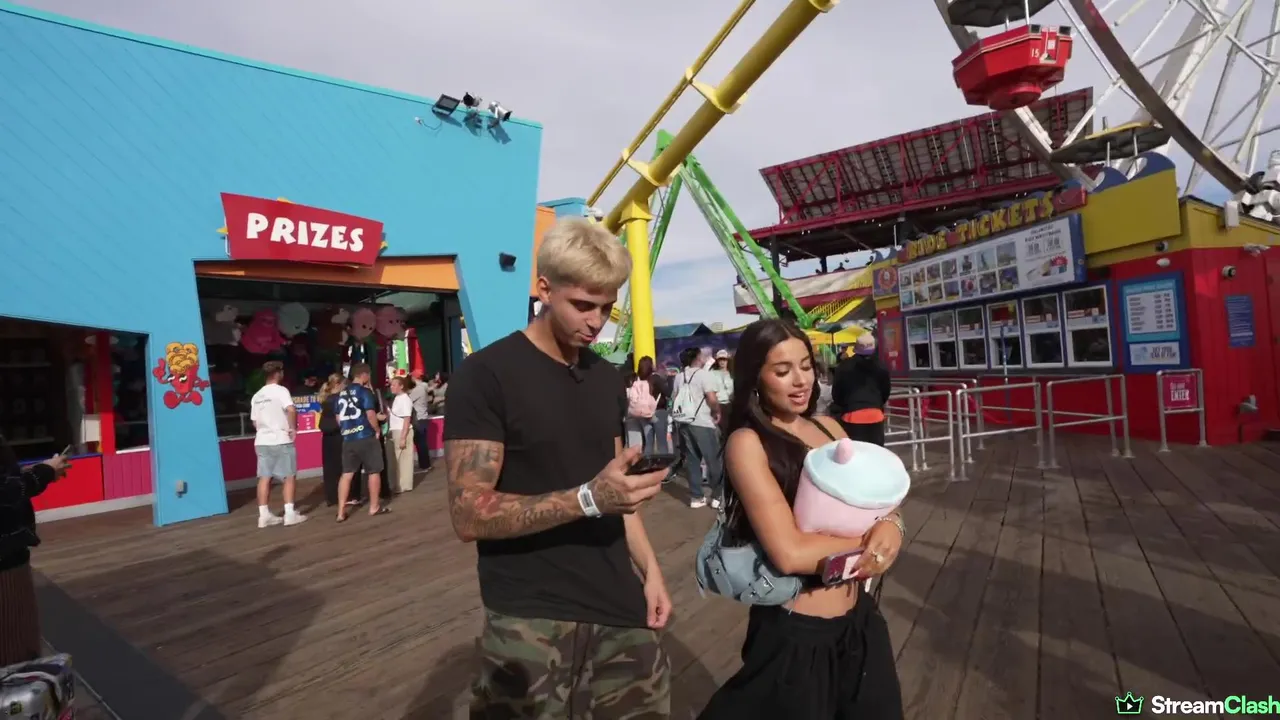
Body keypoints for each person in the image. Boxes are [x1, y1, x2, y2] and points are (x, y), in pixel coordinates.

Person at [445, 216, 673, 717]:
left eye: (607, 308)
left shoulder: (606, 378)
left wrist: (651, 570)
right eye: (583, 305)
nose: (596, 322)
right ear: (544, 289)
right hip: (531, 613)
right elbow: (469, 513)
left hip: (618, 599)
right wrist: (588, 499)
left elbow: (616, 491)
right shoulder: (485, 376)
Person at [698, 319, 905, 719]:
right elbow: (790, 552)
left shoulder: (828, 427)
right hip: (798, 634)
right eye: (782, 370)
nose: (801, 380)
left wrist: (893, 524)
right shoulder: (747, 443)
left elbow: (878, 500)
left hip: (859, 619)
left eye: (806, 366)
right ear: (755, 377)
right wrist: (873, 541)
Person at [0, 435, 67, 666]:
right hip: (5, 561)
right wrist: (45, 472)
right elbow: (6, 491)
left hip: (10, 556)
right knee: (15, 654)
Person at [250, 360, 307, 527]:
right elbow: (291, 409)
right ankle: (289, 513)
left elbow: (254, 422)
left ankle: (263, 515)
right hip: (281, 438)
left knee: (264, 477)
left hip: (262, 440)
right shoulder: (281, 391)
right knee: (289, 476)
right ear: (277, 373)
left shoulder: (257, 395)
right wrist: (293, 428)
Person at [335, 363, 388, 520]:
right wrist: (377, 430)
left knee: (346, 474)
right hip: (365, 436)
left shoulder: (341, 393)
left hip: (348, 438)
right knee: (374, 471)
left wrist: (346, 430)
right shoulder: (364, 392)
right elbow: (370, 415)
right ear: (364, 375)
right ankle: (374, 506)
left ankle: (340, 511)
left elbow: (339, 418)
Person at [672, 346, 723, 509]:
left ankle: (696, 497)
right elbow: (712, 398)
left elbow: (674, 397)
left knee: (692, 460)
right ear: (697, 358)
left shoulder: (679, 377)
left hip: (684, 422)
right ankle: (717, 496)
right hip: (703, 422)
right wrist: (716, 412)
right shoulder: (704, 375)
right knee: (713, 460)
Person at [831, 333, 892, 446]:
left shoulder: (844, 366)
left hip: (852, 415)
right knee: (876, 451)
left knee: (856, 452)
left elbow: (836, 394)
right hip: (875, 414)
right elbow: (886, 391)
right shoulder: (881, 366)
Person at [318, 373, 347, 507]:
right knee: (342, 467)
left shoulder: (325, 399)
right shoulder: (339, 399)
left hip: (327, 437)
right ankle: (344, 495)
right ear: (338, 384)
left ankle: (331, 497)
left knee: (329, 468)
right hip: (339, 435)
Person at [623, 356, 663, 453]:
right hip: (648, 414)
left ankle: (638, 458)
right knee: (650, 440)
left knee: (636, 443)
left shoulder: (631, 378)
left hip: (633, 413)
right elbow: (667, 391)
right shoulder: (654, 379)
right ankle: (649, 458)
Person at [386, 375, 416, 494]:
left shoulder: (405, 399)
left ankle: (404, 485)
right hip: (395, 430)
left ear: (401, 386)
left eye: (394, 385)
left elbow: (407, 419)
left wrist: (403, 437)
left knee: (404, 460)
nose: (391, 387)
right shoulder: (397, 398)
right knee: (395, 460)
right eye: (391, 385)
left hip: (402, 431)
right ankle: (397, 484)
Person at [409, 369, 433, 470]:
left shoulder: (419, 389)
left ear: (415, 377)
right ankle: (425, 464)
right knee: (421, 442)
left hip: (418, 418)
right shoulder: (423, 387)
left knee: (420, 443)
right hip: (422, 417)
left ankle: (425, 465)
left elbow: (408, 400)